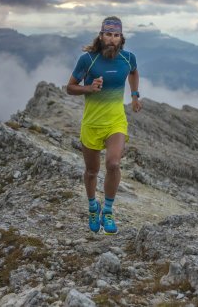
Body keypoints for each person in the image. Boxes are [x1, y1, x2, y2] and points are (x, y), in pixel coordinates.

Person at [66, 16, 142, 234]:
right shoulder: (87, 60)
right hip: (92, 123)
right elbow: (69, 88)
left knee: (114, 164)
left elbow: (134, 72)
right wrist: (88, 88)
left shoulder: (128, 59)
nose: (112, 39)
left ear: (121, 38)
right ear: (101, 36)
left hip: (115, 121)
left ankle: (107, 211)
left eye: (116, 35)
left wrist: (135, 95)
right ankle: (93, 206)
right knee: (91, 171)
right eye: (108, 34)